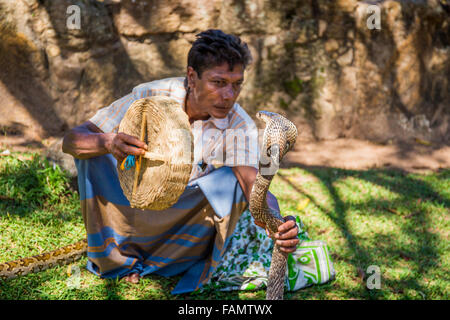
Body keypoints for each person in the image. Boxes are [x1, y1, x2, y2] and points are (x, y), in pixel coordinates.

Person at [62, 29, 300, 292]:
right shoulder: (151, 95)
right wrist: (108, 142)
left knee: (231, 182)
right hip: (130, 205)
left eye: (236, 84)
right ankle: (117, 259)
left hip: (178, 217)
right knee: (91, 154)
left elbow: (252, 181)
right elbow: (72, 139)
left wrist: (276, 221)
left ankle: (165, 261)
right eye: (218, 82)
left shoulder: (237, 122)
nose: (229, 95)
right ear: (192, 77)